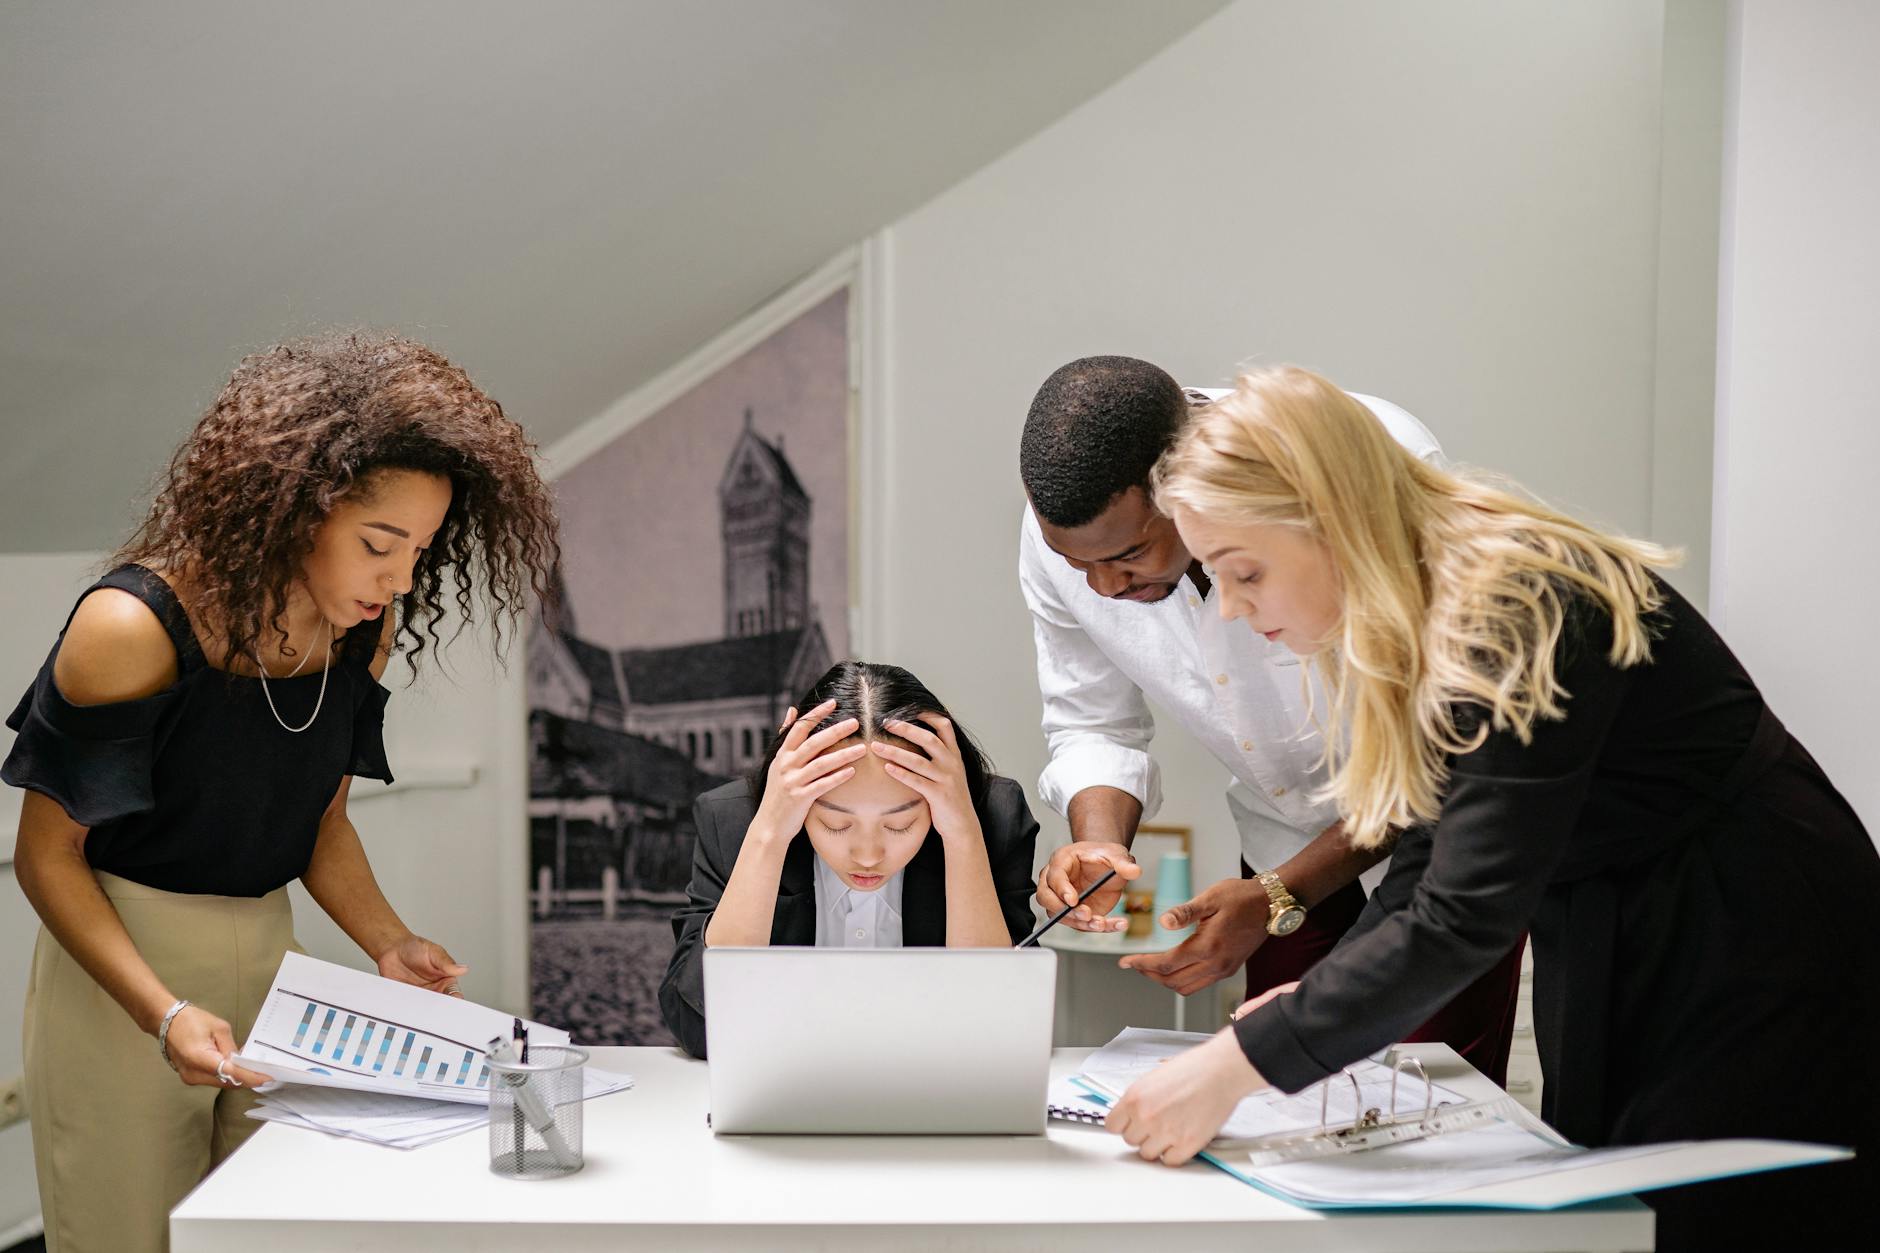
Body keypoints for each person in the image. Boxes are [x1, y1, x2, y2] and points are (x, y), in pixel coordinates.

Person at [1107, 364, 1880, 1250]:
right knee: (1613, 1205)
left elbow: (1462, 913)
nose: (1234, 611)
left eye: (1243, 573)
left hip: (1752, 924)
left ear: (1331, 519)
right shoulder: (1423, 597)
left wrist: (1240, 1062)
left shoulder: (1512, 600)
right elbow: (1431, 846)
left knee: (1725, 1213)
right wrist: (1313, 997)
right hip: (1613, 913)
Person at [4, 331, 559, 1253]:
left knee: (272, 1235)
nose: (403, 579)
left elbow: (321, 823)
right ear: (297, 509)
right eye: (381, 544)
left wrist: (390, 941)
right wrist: (164, 1011)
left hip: (271, 965)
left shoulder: (360, 633)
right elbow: (45, 856)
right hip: (119, 977)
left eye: (421, 549)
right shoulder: (130, 625)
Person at [1019, 356, 1522, 1082]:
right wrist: (1101, 850)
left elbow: (1446, 759)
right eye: (1077, 565)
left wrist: (1283, 892)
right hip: (1279, 832)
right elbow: (1093, 719)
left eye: (1129, 554)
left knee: (1425, 1093)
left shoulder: (1371, 466)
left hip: (1440, 833)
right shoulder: (1070, 529)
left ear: (1187, 485)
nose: (1102, 586)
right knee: (1277, 1089)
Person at [659, 661, 1041, 1058]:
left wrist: (962, 834)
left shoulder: (990, 817)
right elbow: (701, 1028)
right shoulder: (734, 820)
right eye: (836, 824)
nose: (868, 855)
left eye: (900, 825)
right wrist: (769, 835)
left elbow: (997, 1031)